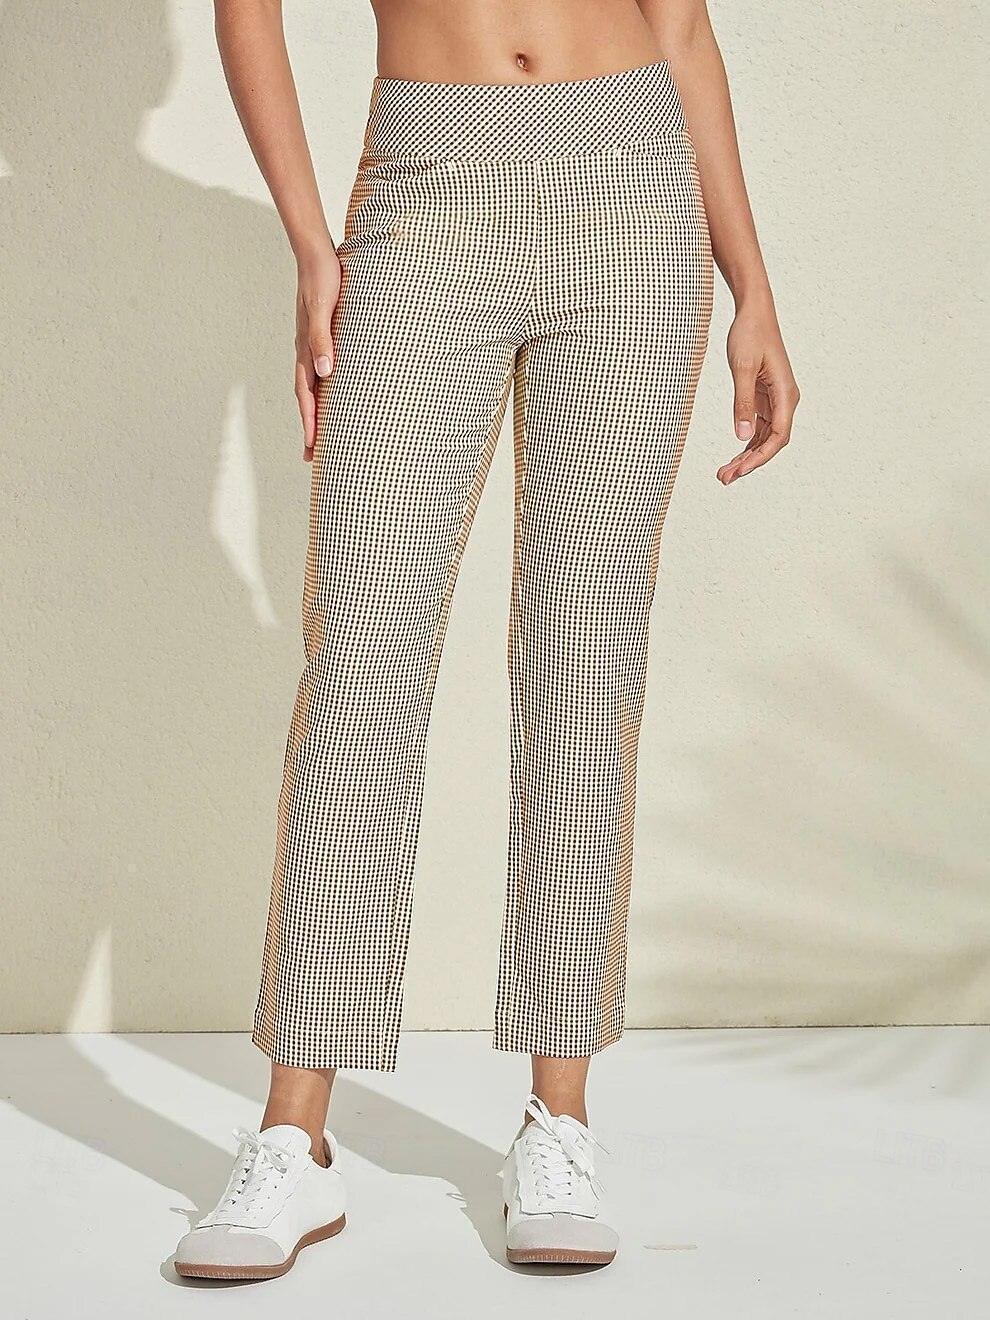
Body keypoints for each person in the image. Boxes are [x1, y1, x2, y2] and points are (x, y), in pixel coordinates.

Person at [174, 0, 799, 1279]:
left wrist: (755, 289)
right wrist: (310, 243)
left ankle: (557, 1124)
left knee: (585, 660)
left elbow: (682, 28)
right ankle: (296, 1137)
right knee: (361, 665)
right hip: (426, 186)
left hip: (635, 192)